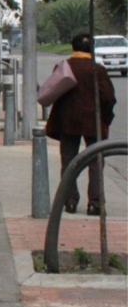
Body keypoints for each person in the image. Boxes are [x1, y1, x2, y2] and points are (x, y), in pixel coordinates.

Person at [45, 33, 117, 215]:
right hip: (93, 122)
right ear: (92, 48)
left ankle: (69, 201)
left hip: (67, 123)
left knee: (69, 161)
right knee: (95, 161)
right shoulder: (97, 70)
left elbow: (54, 93)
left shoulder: (63, 67)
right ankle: (95, 203)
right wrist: (106, 118)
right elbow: (108, 98)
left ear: (73, 47)